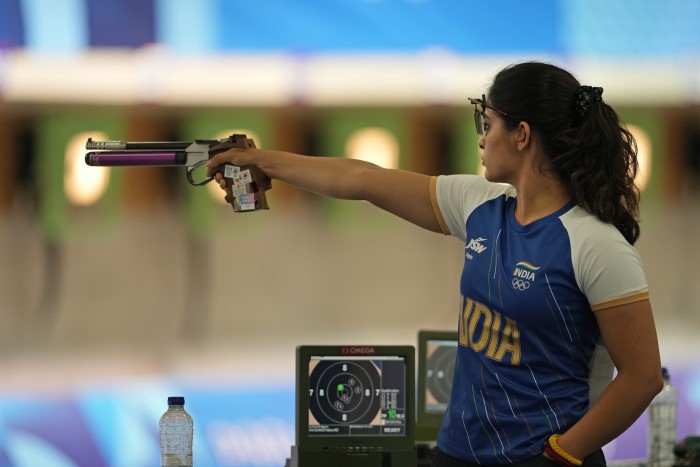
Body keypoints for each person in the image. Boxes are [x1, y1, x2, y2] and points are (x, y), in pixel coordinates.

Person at [207, 61, 663, 467]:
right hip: (456, 452)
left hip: (542, 457)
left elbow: (642, 378)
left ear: (521, 135)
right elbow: (364, 178)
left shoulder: (595, 244)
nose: (482, 139)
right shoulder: (480, 204)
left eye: (488, 124)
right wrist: (260, 161)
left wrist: (562, 453)